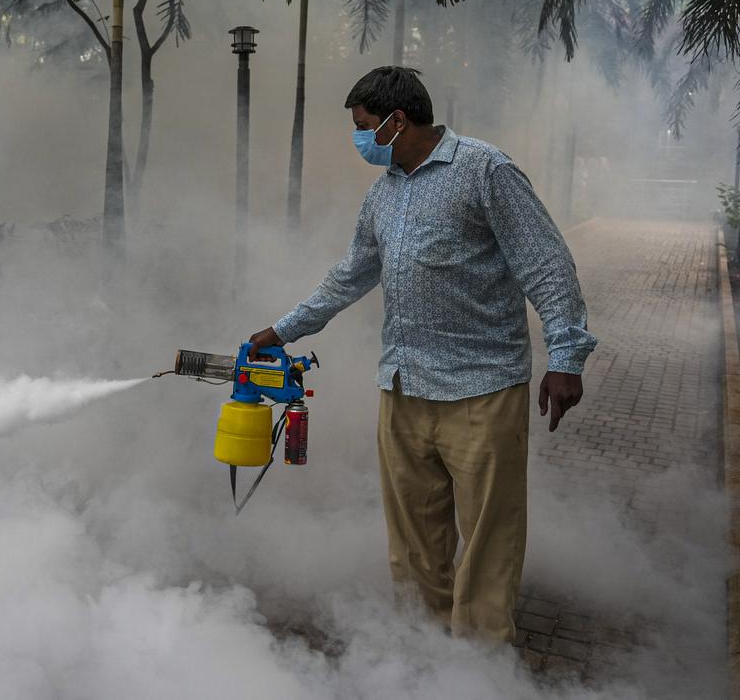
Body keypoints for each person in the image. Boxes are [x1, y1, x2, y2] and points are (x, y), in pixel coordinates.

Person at [248, 66, 596, 643]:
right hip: (404, 388)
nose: (357, 139)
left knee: (488, 538)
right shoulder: (383, 193)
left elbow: (547, 263)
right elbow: (350, 276)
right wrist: (284, 331)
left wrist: (566, 356)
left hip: (482, 388)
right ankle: (425, 654)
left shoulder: (486, 170)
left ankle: (480, 665)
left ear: (397, 120)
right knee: (413, 540)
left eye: (362, 127)